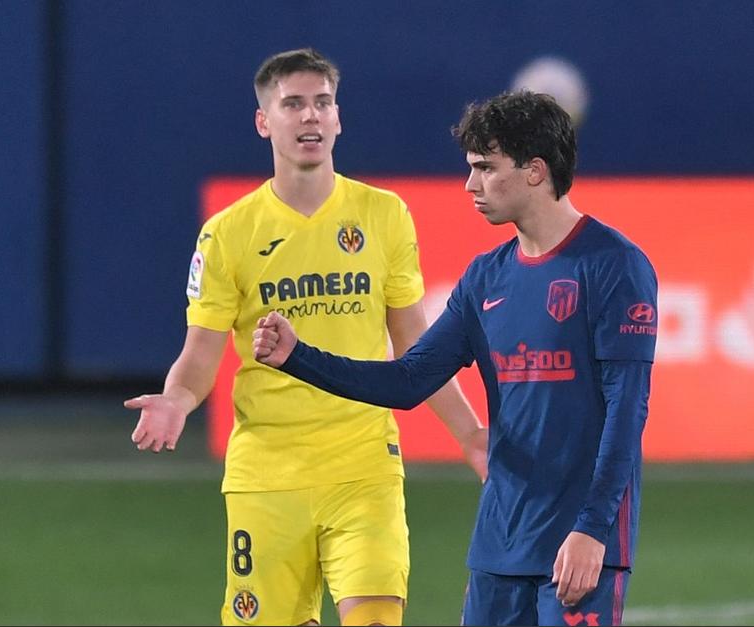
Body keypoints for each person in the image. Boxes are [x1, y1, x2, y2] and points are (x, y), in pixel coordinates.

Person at [252, 90, 658, 626]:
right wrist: (298, 357)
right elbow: (409, 380)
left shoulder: (614, 266)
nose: (471, 185)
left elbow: (626, 412)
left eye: (486, 168)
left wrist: (592, 529)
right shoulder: (486, 277)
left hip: (579, 545)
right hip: (499, 544)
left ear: (535, 171)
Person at [123, 48, 487, 627]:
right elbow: (200, 353)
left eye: (322, 102)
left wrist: (471, 435)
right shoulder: (227, 234)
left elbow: (416, 348)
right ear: (264, 122)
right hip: (267, 475)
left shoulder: (383, 215)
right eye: (293, 104)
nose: (310, 116)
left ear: (338, 118)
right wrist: (177, 400)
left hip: (363, 464)